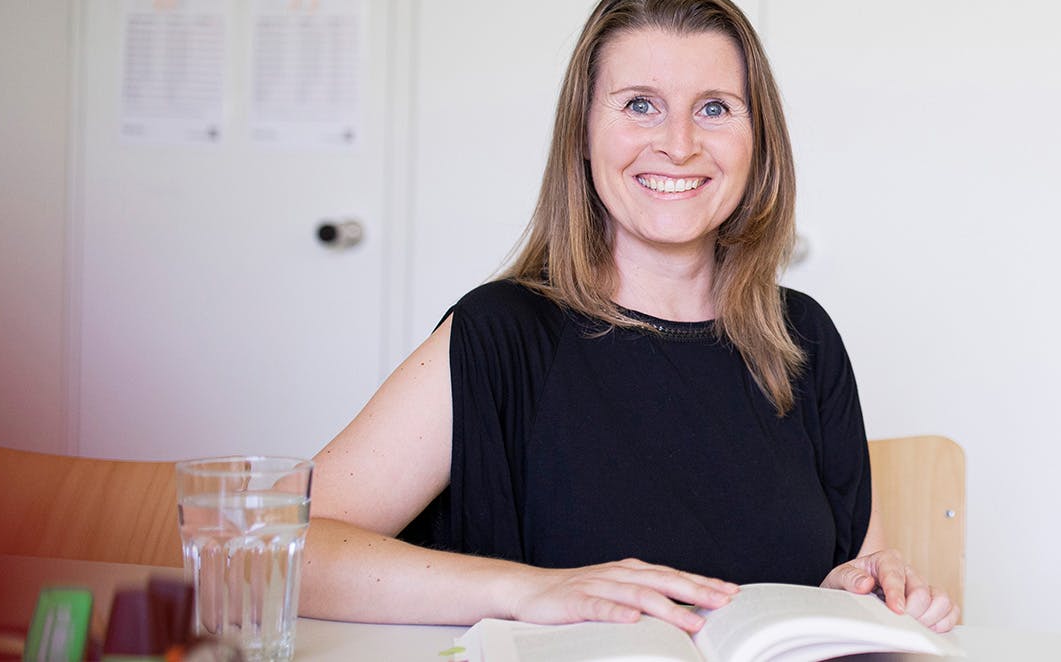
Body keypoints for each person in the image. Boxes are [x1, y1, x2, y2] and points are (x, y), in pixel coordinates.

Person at [298, 0, 958, 635]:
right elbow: (282, 547)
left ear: (758, 141)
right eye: (640, 104)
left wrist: (861, 587)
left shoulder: (803, 338)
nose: (679, 144)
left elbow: (851, 566)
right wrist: (522, 590)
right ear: (583, 134)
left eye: (714, 108)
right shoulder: (500, 334)